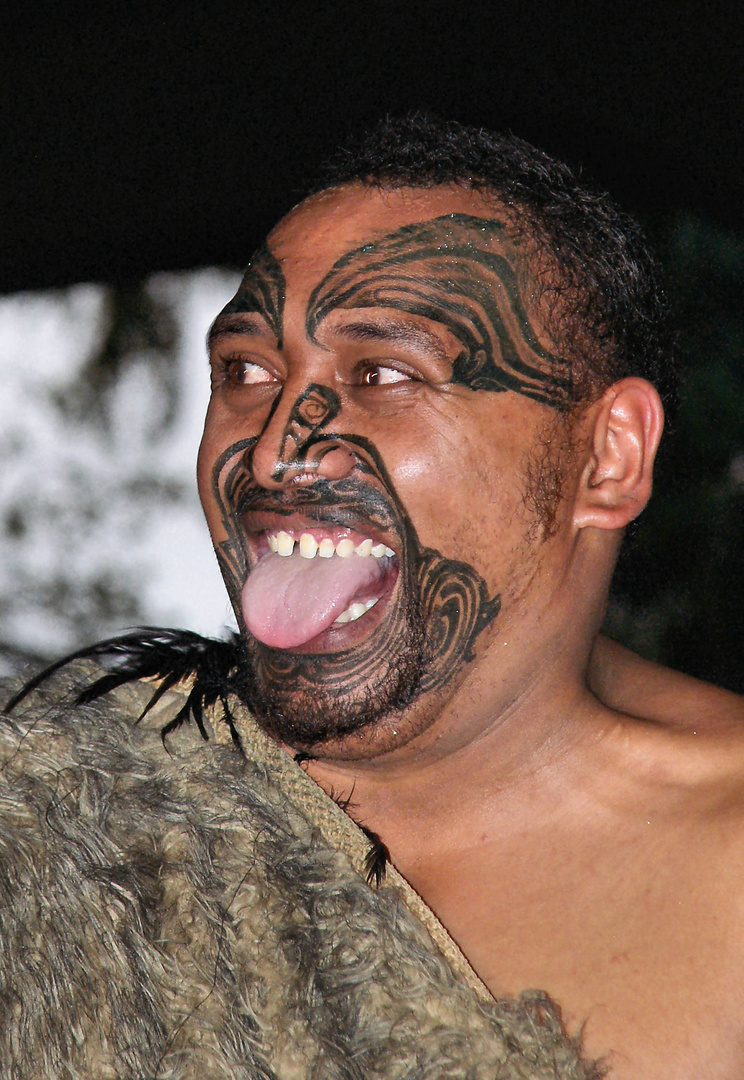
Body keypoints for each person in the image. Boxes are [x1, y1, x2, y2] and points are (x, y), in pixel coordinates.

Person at [2, 116, 742, 1079]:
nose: (272, 450)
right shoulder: (68, 823)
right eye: (246, 373)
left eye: (383, 374)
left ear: (607, 458)